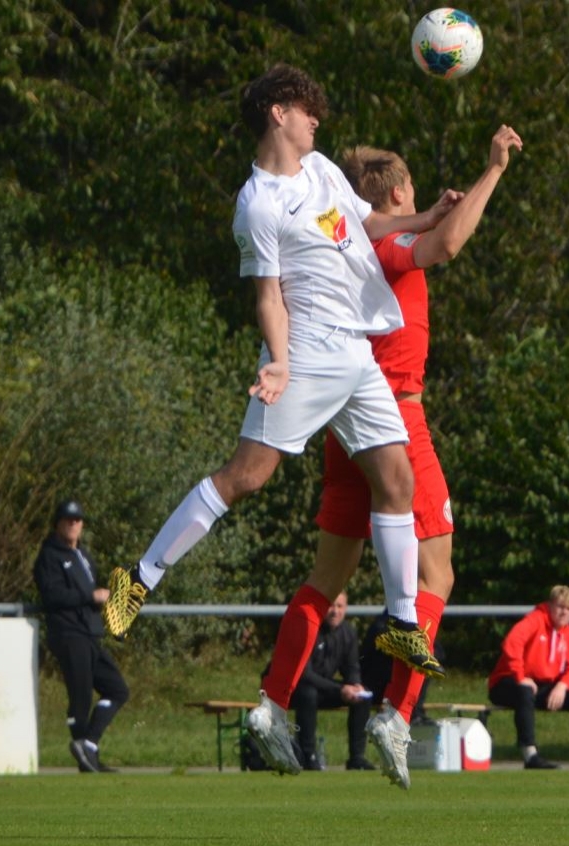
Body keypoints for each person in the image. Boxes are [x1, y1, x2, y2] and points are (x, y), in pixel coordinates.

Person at [99, 64, 457, 772]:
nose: (316, 119)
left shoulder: (323, 171)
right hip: (310, 355)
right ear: (275, 114)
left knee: (397, 483)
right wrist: (280, 361)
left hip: (357, 355)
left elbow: (368, 225)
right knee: (245, 477)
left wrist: (425, 217)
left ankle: (400, 624)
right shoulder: (257, 204)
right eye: (304, 108)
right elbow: (267, 295)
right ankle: (137, 579)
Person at [275, 124, 522, 790]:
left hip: (342, 421)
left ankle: (270, 706)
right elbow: (446, 244)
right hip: (393, 418)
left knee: (326, 579)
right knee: (436, 575)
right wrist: (493, 170)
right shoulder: (385, 241)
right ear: (394, 194)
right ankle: (397, 713)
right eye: (411, 188)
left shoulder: (346, 240)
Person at [32, 500, 129, 773]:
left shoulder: (83, 555)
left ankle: (88, 744)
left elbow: (91, 596)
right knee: (80, 696)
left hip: (89, 632)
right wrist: (90, 596)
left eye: (77, 520)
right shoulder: (49, 556)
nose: (73, 524)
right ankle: (86, 756)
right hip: (68, 632)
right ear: (58, 523)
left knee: (117, 689)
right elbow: (51, 596)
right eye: (68, 520)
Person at [486, 585, 569, 769]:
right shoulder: (535, 620)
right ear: (550, 605)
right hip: (507, 682)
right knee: (525, 690)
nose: (564, 612)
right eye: (560, 607)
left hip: (543, 686)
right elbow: (512, 643)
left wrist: (562, 686)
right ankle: (530, 755)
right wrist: (520, 675)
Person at [263, 592, 374, 771]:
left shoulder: (348, 632)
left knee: (362, 697)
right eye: (331, 606)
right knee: (308, 694)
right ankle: (308, 756)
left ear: (345, 608)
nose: (335, 611)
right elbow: (305, 675)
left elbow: (351, 667)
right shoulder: (308, 628)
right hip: (290, 690)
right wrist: (339, 689)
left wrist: (355, 685)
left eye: (340, 606)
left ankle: (357, 758)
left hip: (322, 688)